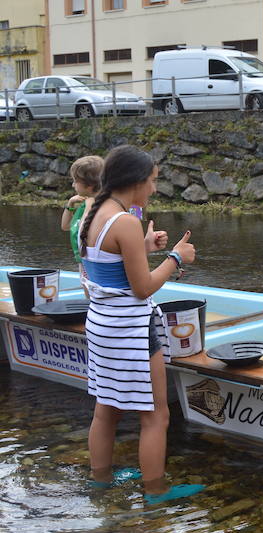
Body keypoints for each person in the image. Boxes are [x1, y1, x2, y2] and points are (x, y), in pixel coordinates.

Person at [79, 144, 203, 504]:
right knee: (155, 415)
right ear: (135, 182)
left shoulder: (94, 213)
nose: (153, 188)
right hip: (132, 329)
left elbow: (107, 266)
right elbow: (142, 287)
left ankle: (100, 480)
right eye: (151, 181)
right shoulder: (126, 221)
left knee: (106, 409)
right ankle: (155, 491)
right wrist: (176, 258)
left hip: (102, 325)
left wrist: (143, 247)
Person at [61, 155, 103, 293]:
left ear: (89, 185)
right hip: (82, 260)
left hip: (92, 261)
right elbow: (66, 226)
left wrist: (89, 204)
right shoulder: (84, 204)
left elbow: (87, 230)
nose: (73, 185)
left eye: (75, 181)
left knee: (90, 293)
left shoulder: (97, 206)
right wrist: (70, 204)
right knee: (87, 291)